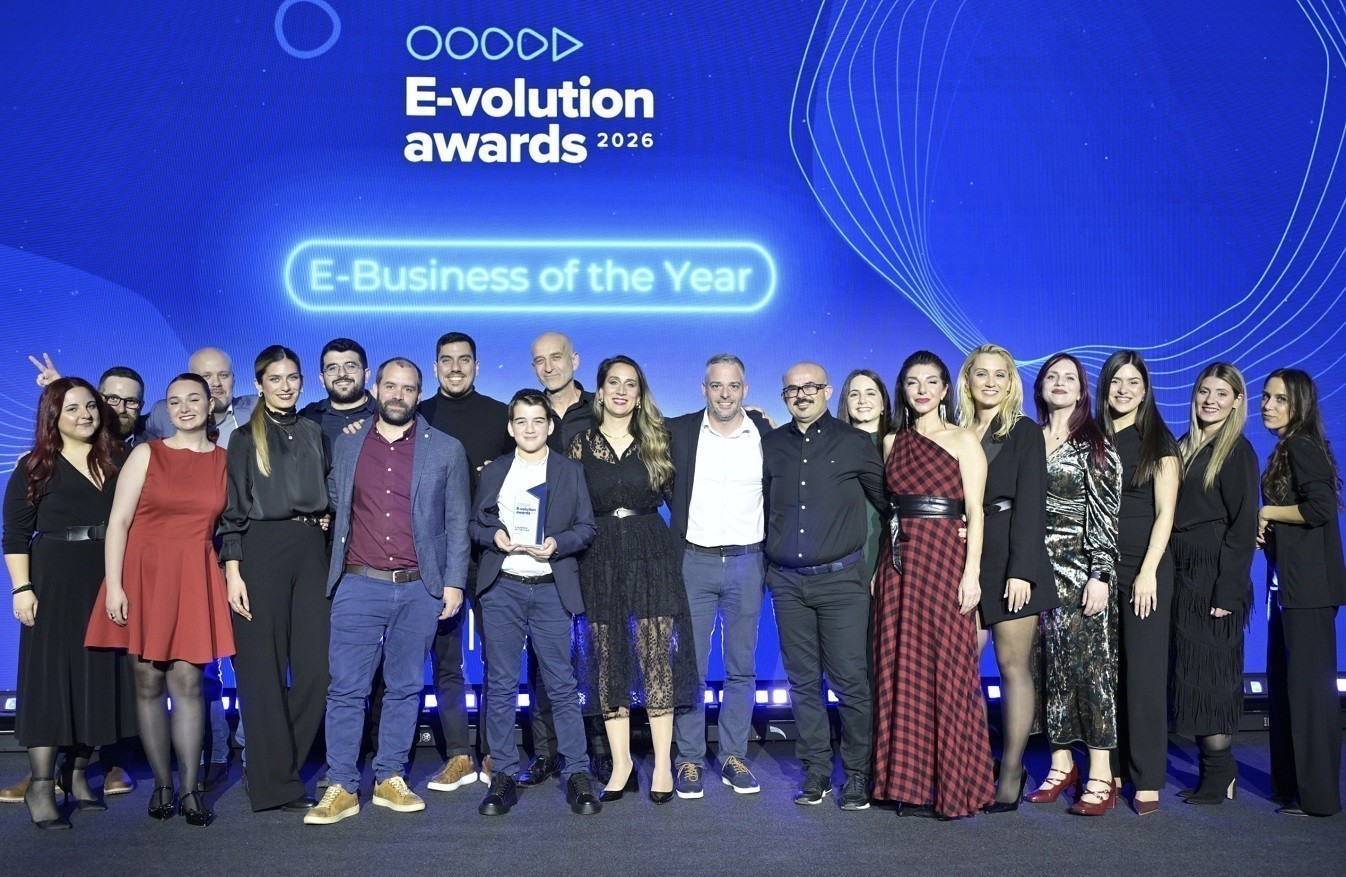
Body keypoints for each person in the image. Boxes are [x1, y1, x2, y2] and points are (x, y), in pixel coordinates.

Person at [306, 357, 471, 825]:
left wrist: (454, 582)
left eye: (409, 388)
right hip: (358, 583)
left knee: (405, 687)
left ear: (420, 394)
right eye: (391, 386)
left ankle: (389, 777)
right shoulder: (347, 442)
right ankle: (341, 784)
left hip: (420, 587)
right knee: (346, 689)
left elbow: (457, 520)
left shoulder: (446, 449)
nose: (399, 395)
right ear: (375, 389)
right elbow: (333, 499)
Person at [85, 373, 236, 826]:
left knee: (188, 684)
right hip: (143, 575)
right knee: (148, 684)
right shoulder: (146, 453)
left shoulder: (226, 460)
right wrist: (115, 585)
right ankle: (162, 786)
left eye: (193, 399)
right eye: (175, 401)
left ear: (211, 405)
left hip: (194, 575)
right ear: (166, 408)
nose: (184, 408)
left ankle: (189, 790)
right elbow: (119, 522)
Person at [568, 355, 697, 804]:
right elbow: (566, 503)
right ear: (600, 391)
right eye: (613, 382)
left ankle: (661, 764)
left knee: (656, 657)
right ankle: (621, 763)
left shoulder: (658, 440)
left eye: (630, 384)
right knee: (608, 661)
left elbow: (681, 501)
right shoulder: (579, 444)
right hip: (599, 557)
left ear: (640, 395)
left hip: (650, 554)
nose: (621, 391)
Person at [870, 352, 992, 819]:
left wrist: (972, 573)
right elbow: (892, 510)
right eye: (912, 382)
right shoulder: (891, 442)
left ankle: (953, 786)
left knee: (948, 670)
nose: (921, 390)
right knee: (901, 669)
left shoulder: (964, 439)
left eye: (931, 382)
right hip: (900, 564)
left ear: (944, 390)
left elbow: (975, 512)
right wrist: (880, 567)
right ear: (903, 390)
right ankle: (906, 784)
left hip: (945, 561)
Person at [4, 379, 129, 828]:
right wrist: (22, 588)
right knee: (49, 680)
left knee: (96, 678)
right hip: (54, 580)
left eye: (90, 406)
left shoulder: (118, 460)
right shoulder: (35, 465)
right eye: (72, 408)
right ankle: (41, 784)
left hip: (105, 577)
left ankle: (76, 773)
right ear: (53, 416)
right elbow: (15, 535)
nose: (84, 415)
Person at [762, 361, 885, 810]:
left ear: (828, 391)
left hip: (842, 582)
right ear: (784, 396)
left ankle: (857, 774)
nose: (802, 394)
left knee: (851, 681)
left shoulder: (855, 443)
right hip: (787, 583)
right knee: (802, 683)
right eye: (792, 389)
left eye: (810, 387)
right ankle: (816, 770)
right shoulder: (771, 444)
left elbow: (888, 504)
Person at [472, 389, 600, 816]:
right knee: (502, 685)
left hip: (549, 588)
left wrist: (557, 543)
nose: (530, 428)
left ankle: (577, 772)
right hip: (503, 588)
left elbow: (586, 528)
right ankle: (504, 775)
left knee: (562, 684)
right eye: (521, 421)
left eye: (538, 421)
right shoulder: (495, 471)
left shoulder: (569, 471)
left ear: (550, 425)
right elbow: (474, 524)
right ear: (511, 428)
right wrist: (493, 536)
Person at [219, 346, 330, 813]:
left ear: (303, 381)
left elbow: (327, 489)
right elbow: (232, 510)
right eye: (275, 379)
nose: (285, 386)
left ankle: (278, 766)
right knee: (261, 672)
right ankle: (271, 782)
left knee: (318, 671)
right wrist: (232, 570)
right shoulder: (244, 438)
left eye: (293, 378)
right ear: (259, 384)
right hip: (259, 553)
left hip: (311, 551)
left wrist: (326, 516)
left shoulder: (314, 431)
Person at [955, 344, 1055, 812]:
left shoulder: (1024, 432)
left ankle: (1012, 769)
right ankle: (977, 764)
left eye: (1000, 374)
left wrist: (1021, 571)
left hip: (1013, 559)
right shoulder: (957, 431)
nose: (991, 382)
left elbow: (1033, 504)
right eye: (982, 374)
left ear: (1011, 381)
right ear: (968, 380)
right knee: (961, 669)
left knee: (1012, 667)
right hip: (968, 560)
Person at [667, 354, 773, 798]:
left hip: (748, 561)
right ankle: (689, 760)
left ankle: (732, 755)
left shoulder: (765, 433)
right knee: (689, 666)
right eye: (716, 385)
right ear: (703, 389)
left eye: (733, 386)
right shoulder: (679, 431)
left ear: (745, 389)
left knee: (741, 668)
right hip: (695, 560)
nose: (725, 394)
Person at [1024, 353, 1122, 816]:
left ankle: (1100, 773)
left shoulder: (1095, 444)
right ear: (1040, 386)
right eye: (1052, 376)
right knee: (1046, 669)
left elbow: (1106, 517)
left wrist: (1101, 574)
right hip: (1031, 573)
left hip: (1081, 574)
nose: (1060, 383)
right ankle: (1061, 765)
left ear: (1082, 391)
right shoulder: (1028, 437)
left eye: (1070, 378)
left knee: (1091, 674)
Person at [418, 331, 514, 793]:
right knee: (446, 660)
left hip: (493, 555)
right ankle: (458, 753)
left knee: (499, 659)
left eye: (464, 359)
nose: (455, 367)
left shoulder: (501, 416)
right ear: (435, 366)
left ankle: (495, 750)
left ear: (477, 365)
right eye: (446, 360)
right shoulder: (418, 415)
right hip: (438, 558)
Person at [1257, 368, 1345, 817]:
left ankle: (1319, 798)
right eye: (1266, 396)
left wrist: (1268, 512)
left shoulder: (1301, 445)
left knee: (1310, 695)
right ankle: (1293, 786)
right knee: (1287, 688)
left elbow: (1320, 507)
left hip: (1309, 591)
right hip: (1290, 588)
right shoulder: (1287, 446)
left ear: (1300, 406)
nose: (1268, 405)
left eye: (1280, 399)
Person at [1171, 362, 1258, 806]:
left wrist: (1228, 590)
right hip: (1181, 574)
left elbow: (1243, 529)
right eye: (1205, 391)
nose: (1210, 400)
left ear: (1237, 401)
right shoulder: (1183, 445)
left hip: (1215, 578)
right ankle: (1214, 769)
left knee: (1213, 676)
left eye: (1222, 393)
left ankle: (1220, 771)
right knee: (1190, 673)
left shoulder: (1237, 451)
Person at [1096, 351, 1180, 815]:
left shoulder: (1158, 441)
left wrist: (1148, 571)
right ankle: (1112, 767)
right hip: (1099, 568)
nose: (1124, 390)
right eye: (1116, 381)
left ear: (1145, 389)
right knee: (1107, 672)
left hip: (1144, 567)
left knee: (1144, 672)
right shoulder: (1093, 437)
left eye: (1133, 382)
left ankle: (1147, 777)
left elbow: (1165, 513)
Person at [527, 330, 610, 783]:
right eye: (540, 361)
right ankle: (546, 751)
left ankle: (600, 749)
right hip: (542, 554)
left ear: (574, 360)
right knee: (544, 657)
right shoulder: (527, 413)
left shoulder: (603, 407)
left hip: (595, 546)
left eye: (556, 357)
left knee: (597, 651)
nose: (549, 367)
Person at [837, 368, 892, 581]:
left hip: (888, 543)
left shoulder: (900, 443)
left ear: (883, 403)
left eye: (870, 393)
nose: (862, 401)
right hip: (844, 551)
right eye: (854, 394)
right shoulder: (832, 446)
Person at [144, 347, 258, 446]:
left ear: (233, 379)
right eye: (206, 376)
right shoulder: (161, 413)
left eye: (223, 375)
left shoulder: (255, 407)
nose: (216, 383)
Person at [299, 337, 376, 450]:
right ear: (322, 379)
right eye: (332, 368)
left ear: (367, 375)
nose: (341, 374)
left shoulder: (385, 414)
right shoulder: (306, 417)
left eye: (350, 366)